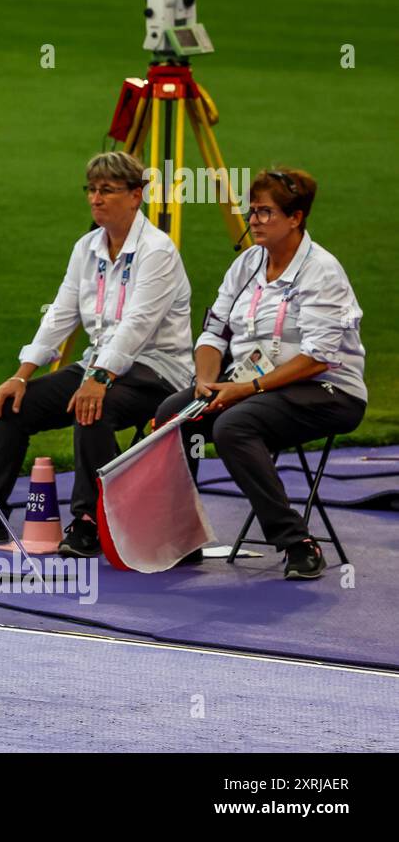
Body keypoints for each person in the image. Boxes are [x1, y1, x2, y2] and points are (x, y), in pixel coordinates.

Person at [0, 151, 193, 558]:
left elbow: (137, 325)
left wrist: (99, 379)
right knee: (13, 405)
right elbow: (60, 314)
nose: (96, 198)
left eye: (107, 190)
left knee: (92, 408)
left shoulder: (158, 251)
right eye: (91, 189)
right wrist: (21, 374)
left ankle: (91, 521)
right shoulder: (87, 247)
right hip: (98, 363)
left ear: (136, 195)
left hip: (158, 372)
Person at [155, 169, 366, 580]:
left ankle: (297, 543)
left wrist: (245, 388)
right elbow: (213, 331)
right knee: (174, 414)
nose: (254, 221)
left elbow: (318, 357)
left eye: (266, 212)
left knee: (234, 425)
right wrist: (205, 380)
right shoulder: (247, 263)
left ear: (296, 218)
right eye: (252, 211)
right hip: (253, 386)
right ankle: (182, 537)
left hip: (328, 391)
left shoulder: (322, 271)